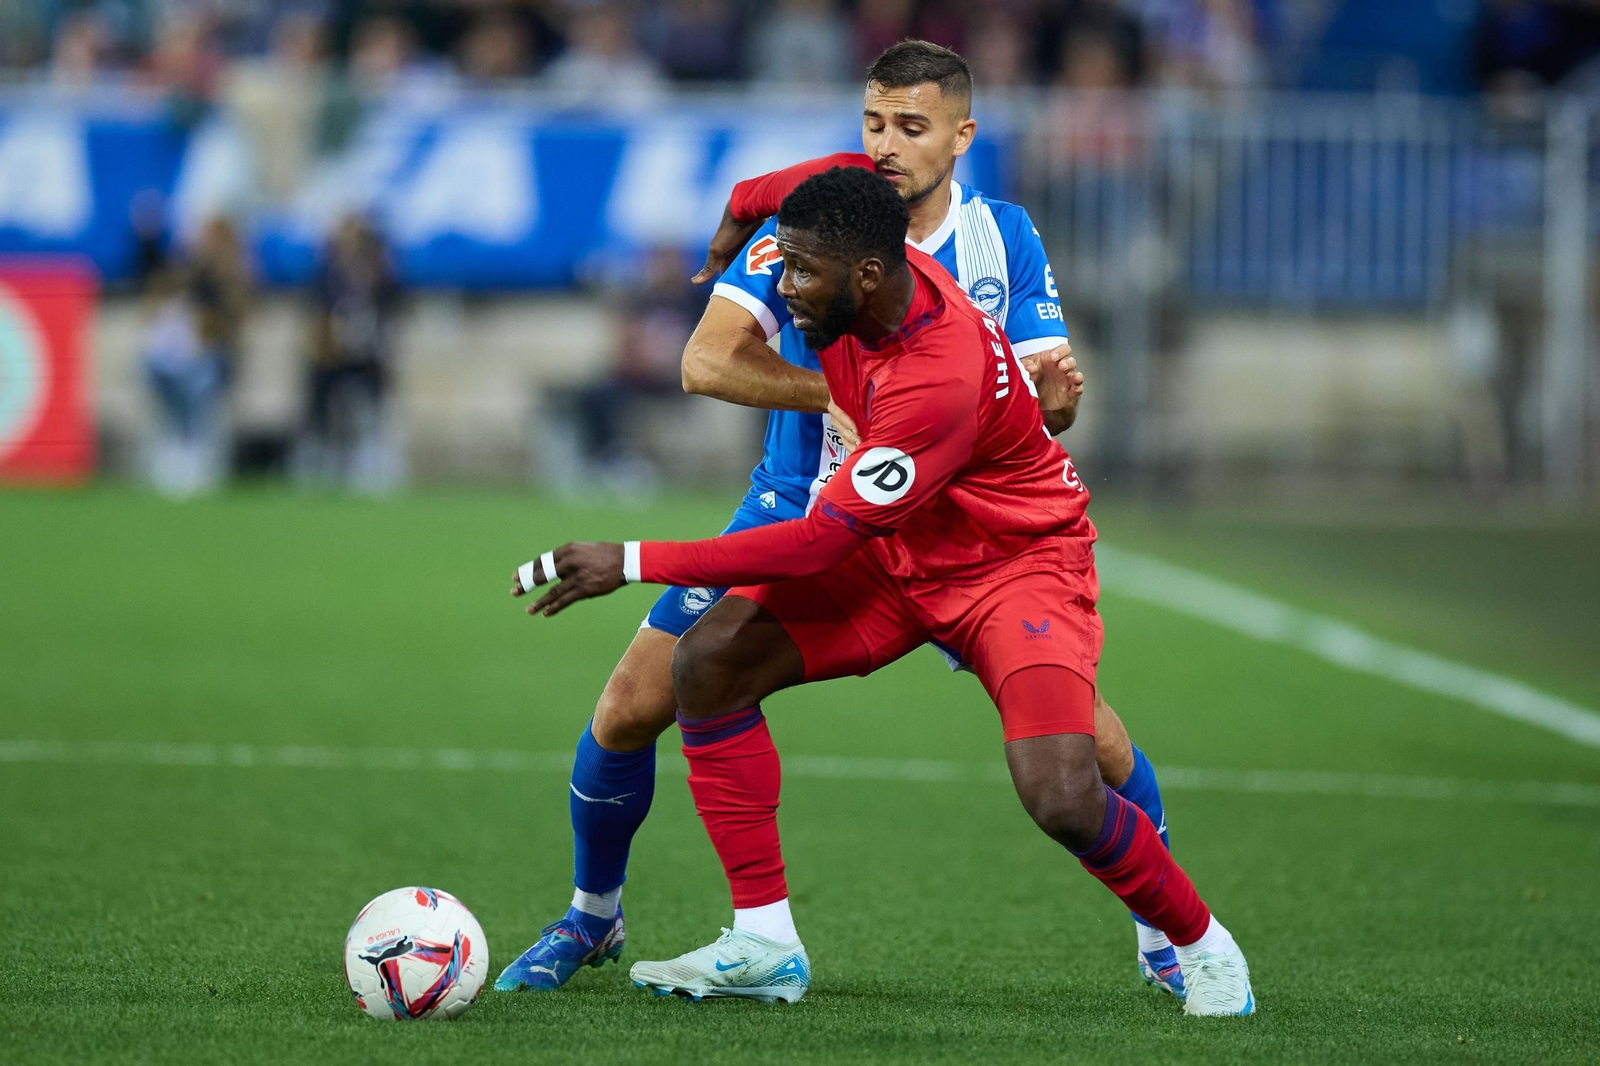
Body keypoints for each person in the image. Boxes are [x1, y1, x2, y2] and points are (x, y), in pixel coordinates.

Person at [494, 41, 1187, 1004]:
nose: (887, 146)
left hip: (967, 536)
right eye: (873, 124)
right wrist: (845, 396)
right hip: (804, 505)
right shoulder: (814, 224)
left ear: (961, 134)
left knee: (1094, 749)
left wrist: (1056, 404)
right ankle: (592, 916)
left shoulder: (1004, 238)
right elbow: (707, 362)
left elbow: (1041, 399)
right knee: (629, 707)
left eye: (911, 126)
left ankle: (1167, 935)